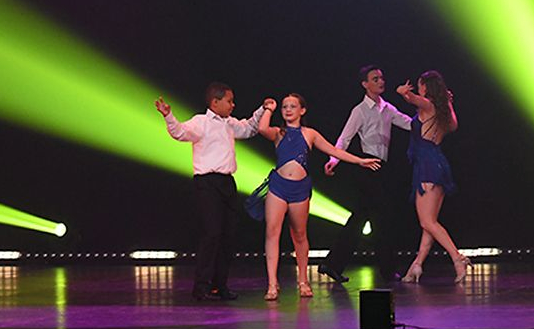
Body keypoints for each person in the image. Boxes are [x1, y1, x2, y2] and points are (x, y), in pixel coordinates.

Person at [255, 94, 380, 300]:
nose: (288, 110)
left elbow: (334, 150)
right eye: (285, 107)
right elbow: (261, 129)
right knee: (272, 232)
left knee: (299, 234)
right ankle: (272, 284)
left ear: (302, 110)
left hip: (299, 189)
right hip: (278, 187)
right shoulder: (278, 132)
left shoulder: (310, 134)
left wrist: (359, 161)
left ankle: (303, 281)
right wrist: (268, 109)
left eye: (292, 106)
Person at [156, 83, 270, 301]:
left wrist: (262, 109)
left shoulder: (229, 123)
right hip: (207, 183)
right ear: (215, 102)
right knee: (212, 234)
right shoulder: (201, 122)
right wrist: (168, 115)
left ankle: (220, 285)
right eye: (229, 101)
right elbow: (180, 132)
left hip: (227, 182)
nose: (233, 104)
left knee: (228, 235)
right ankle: (201, 286)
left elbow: (249, 128)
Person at [319, 65, 412, 284]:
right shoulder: (359, 110)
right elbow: (344, 138)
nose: (381, 81)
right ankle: (386, 270)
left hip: (382, 168)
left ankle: (332, 264)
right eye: (375, 78)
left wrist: (428, 111)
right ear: (365, 84)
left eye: (381, 78)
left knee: (364, 217)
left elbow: (410, 124)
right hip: (366, 166)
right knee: (381, 218)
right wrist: (333, 160)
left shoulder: (387, 108)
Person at [398, 70, 469, 284]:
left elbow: (413, 99)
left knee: (427, 221)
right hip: (436, 163)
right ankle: (417, 265)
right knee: (429, 223)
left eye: (420, 84)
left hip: (427, 166)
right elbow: (454, 126)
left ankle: (457, 258)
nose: (418, 87)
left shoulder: (428, 106)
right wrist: (448, 102)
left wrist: (403, 93)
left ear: (426, 87)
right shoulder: (442, 111)